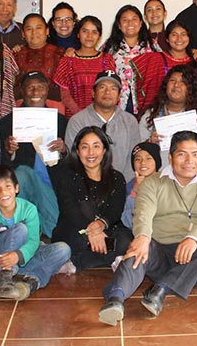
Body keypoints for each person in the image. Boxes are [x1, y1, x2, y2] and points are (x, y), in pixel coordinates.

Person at [98, 131, 197, 325]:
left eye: (195, 154)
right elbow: (143, 212)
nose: (189, 160)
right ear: (170, 157)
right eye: (182, 154)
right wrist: (142, 236)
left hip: (195, 260)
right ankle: (115, 299)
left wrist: (194, 238)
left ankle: (161, 289)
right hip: (160, 251)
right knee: (141, 247)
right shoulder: (153, 182)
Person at [0, 165, 71, 301]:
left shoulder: (29, 209)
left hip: (24, 258)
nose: (3, 192)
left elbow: (33, 241)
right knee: (21, 229)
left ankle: (31, 282)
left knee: (63, 249)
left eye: (8, 186)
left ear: (16, 188)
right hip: (0, 263)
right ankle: (4, 280)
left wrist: (18, 255)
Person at [51, 127, 132, 272]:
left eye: (96, 146)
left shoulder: (117, 178)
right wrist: (92, 231)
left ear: (104, 150)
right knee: (75, 242)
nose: (91, 153)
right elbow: (70, 209)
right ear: (77, 150)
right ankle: (112, 257)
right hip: (76, 228)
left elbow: (115, 211)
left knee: (126, 240)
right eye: (85, 147)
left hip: (106, 228)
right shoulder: (67, 175)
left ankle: (76, 263)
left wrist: (100, 225)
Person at [139, 65, 197, 168]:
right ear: (166, 86)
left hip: (191, 176)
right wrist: (150, 142)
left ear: (191, 88)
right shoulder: (151, 115)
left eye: (183, 82)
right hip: (159, 178)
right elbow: (139, 152)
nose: (176, 85)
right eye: (172, 80)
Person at [64, 71, 140, 182]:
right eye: (102, 87)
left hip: (124, 185)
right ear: (93, 93)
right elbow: (73, 158)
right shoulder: (77, 121)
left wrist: (122, 184)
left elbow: (134, 157)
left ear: (119, 96)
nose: (107, 92)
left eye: (113, 89)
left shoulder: (130, 121)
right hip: (86, 186)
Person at [129, 20, 197, 109]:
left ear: (189, 38)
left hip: (196, 116)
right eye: (174, 34)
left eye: (183, 34)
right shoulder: (155, 60)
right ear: (167, 39)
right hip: (163, 115)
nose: (179, 39)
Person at [0, 71, 68, 171]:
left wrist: (63, 150)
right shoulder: (6, 123)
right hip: (20, 180)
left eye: (41, 87)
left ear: (47, 90)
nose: (35, 92)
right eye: (30, 88)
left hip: (54, 180)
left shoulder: (61, 122)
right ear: (22, 91)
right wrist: (9, 152)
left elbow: (71, 161)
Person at [53, 16, 115, 117]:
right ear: (78, 34)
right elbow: (65, 96)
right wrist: (82, 115)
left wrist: (99, 115)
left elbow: (111, 91)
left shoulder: (107, 60)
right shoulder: (67, 60)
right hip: (75, 117)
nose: (89, 36)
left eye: (94, 32)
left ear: (99, 36)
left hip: (102, 117)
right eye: (85, 31)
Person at [102, 5, 154, 114]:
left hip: (145, 101)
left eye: (134, 19)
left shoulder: (152, 46)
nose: (130, 23)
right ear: (119, 25)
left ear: (140, 23)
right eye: (125, 20)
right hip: (118, 101)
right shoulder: (109, 47)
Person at [14, 13, 64, 107]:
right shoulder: (15, 55)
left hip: (53, 105)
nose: (34, 32)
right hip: (22, 106)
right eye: (29, 29)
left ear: (47, 31)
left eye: (38, 28)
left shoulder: (60, 54)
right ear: (23, 33)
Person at [122, 142, 162, 230]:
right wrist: (135, 191)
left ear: (156, 161)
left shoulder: (167, 182)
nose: (143, 162)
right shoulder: (130, 186)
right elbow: (127, 222)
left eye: (148, 158)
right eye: (138, 159)